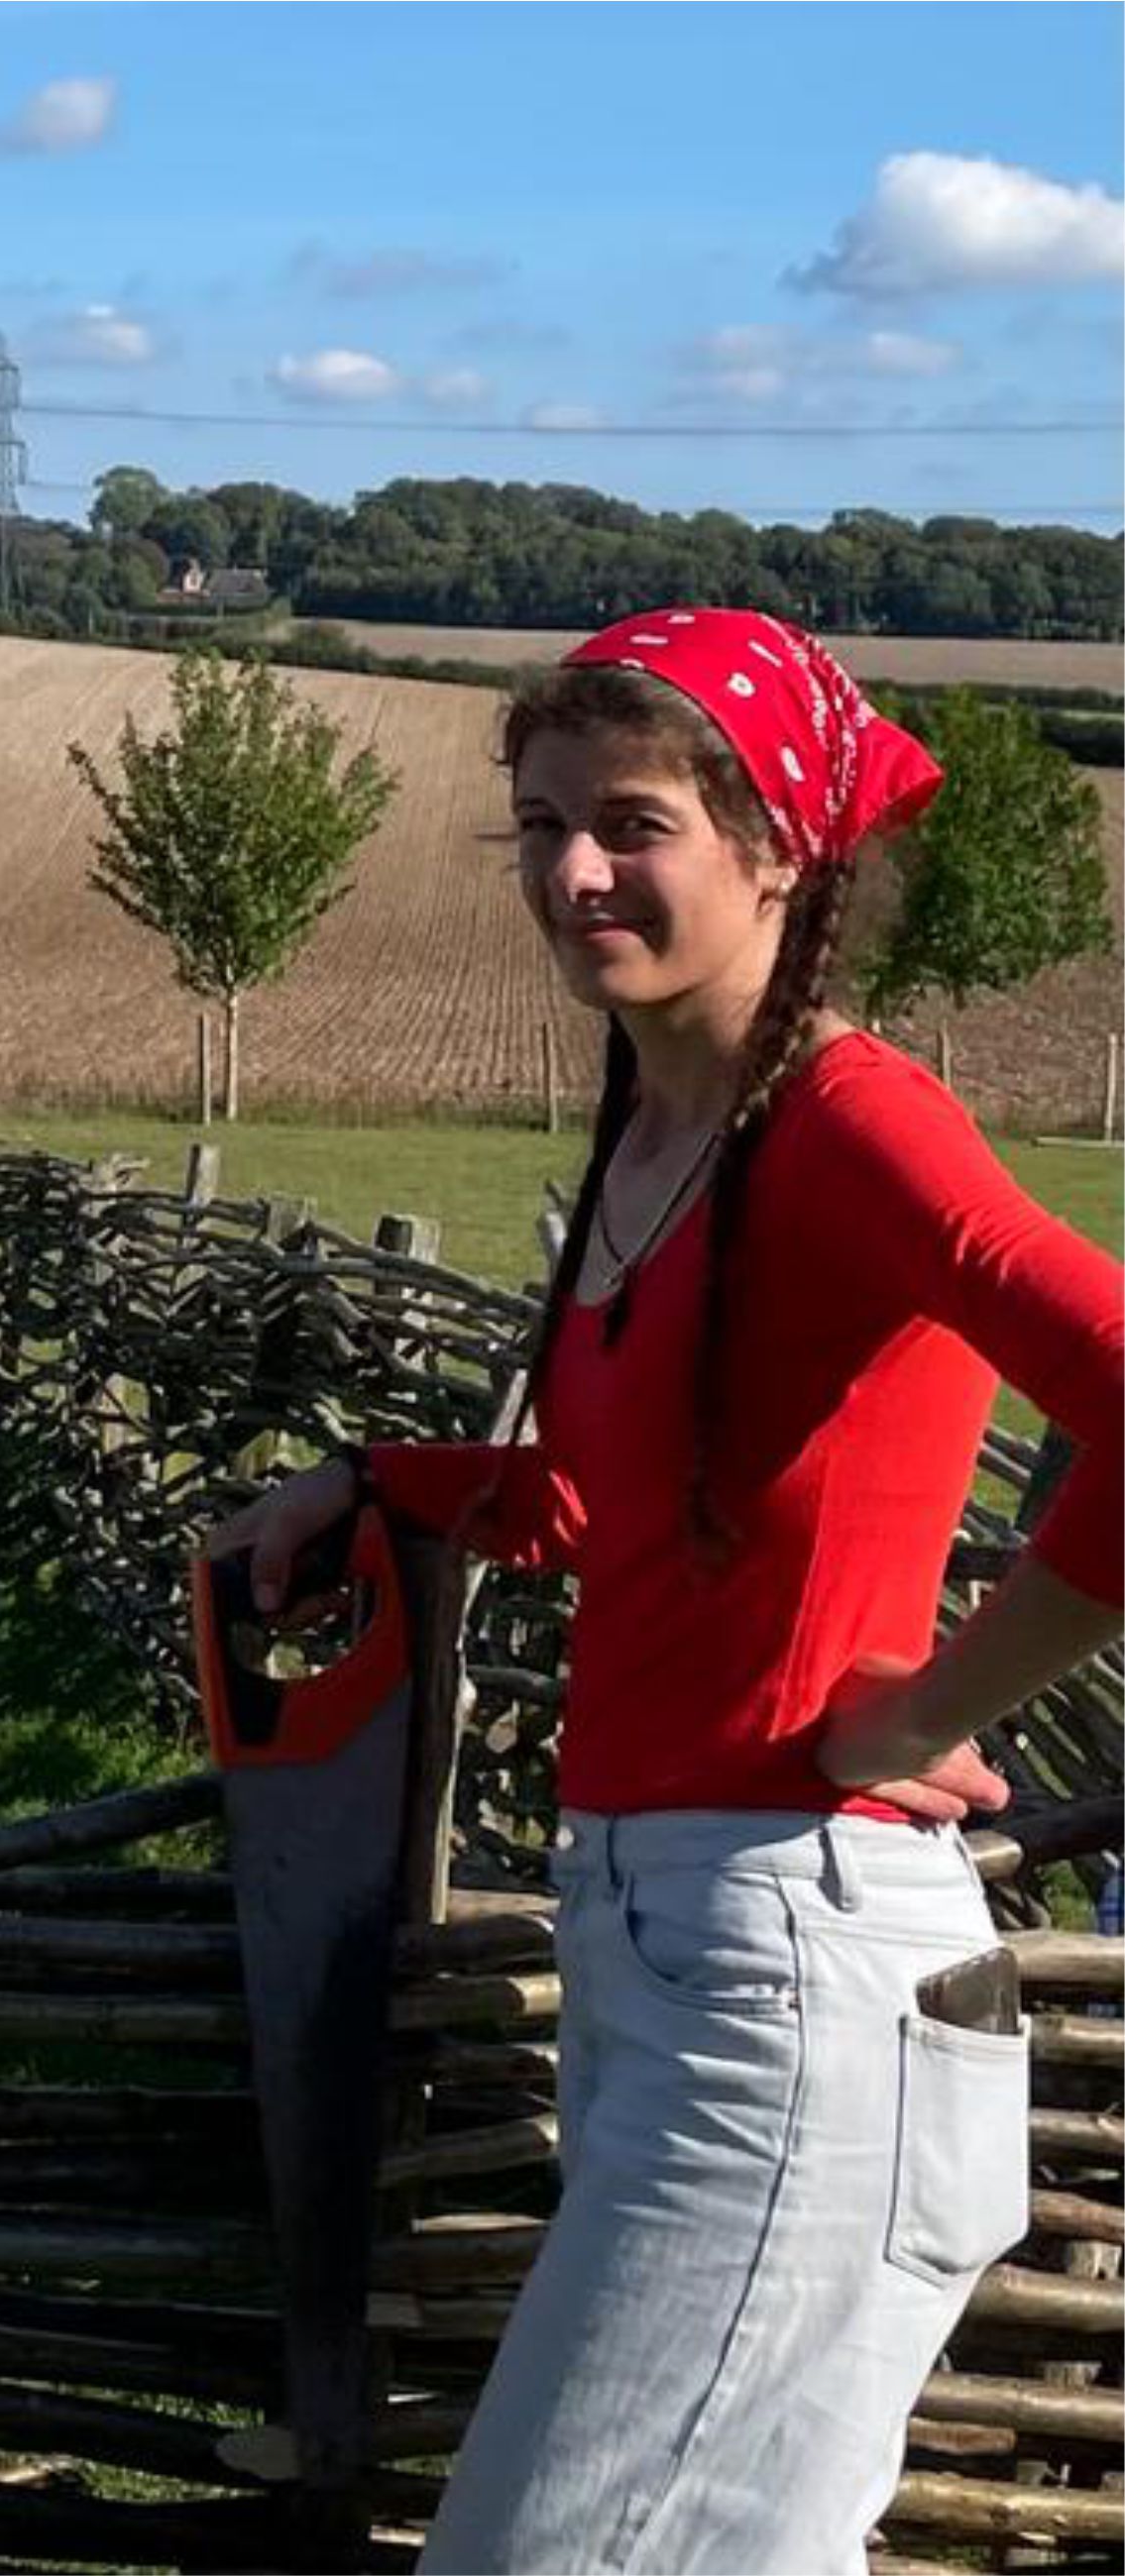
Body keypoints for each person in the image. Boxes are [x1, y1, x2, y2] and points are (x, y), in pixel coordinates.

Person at [210, 610, 1121, 2574]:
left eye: (633, 825)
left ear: (778, 849)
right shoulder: (658, 1129)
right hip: (674, 1945)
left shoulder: (849, 1122)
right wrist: (379, 1483)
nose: (572, 874)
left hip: (794, 1962)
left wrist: (921, 1711)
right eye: (541, 826)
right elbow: (613, 1504)